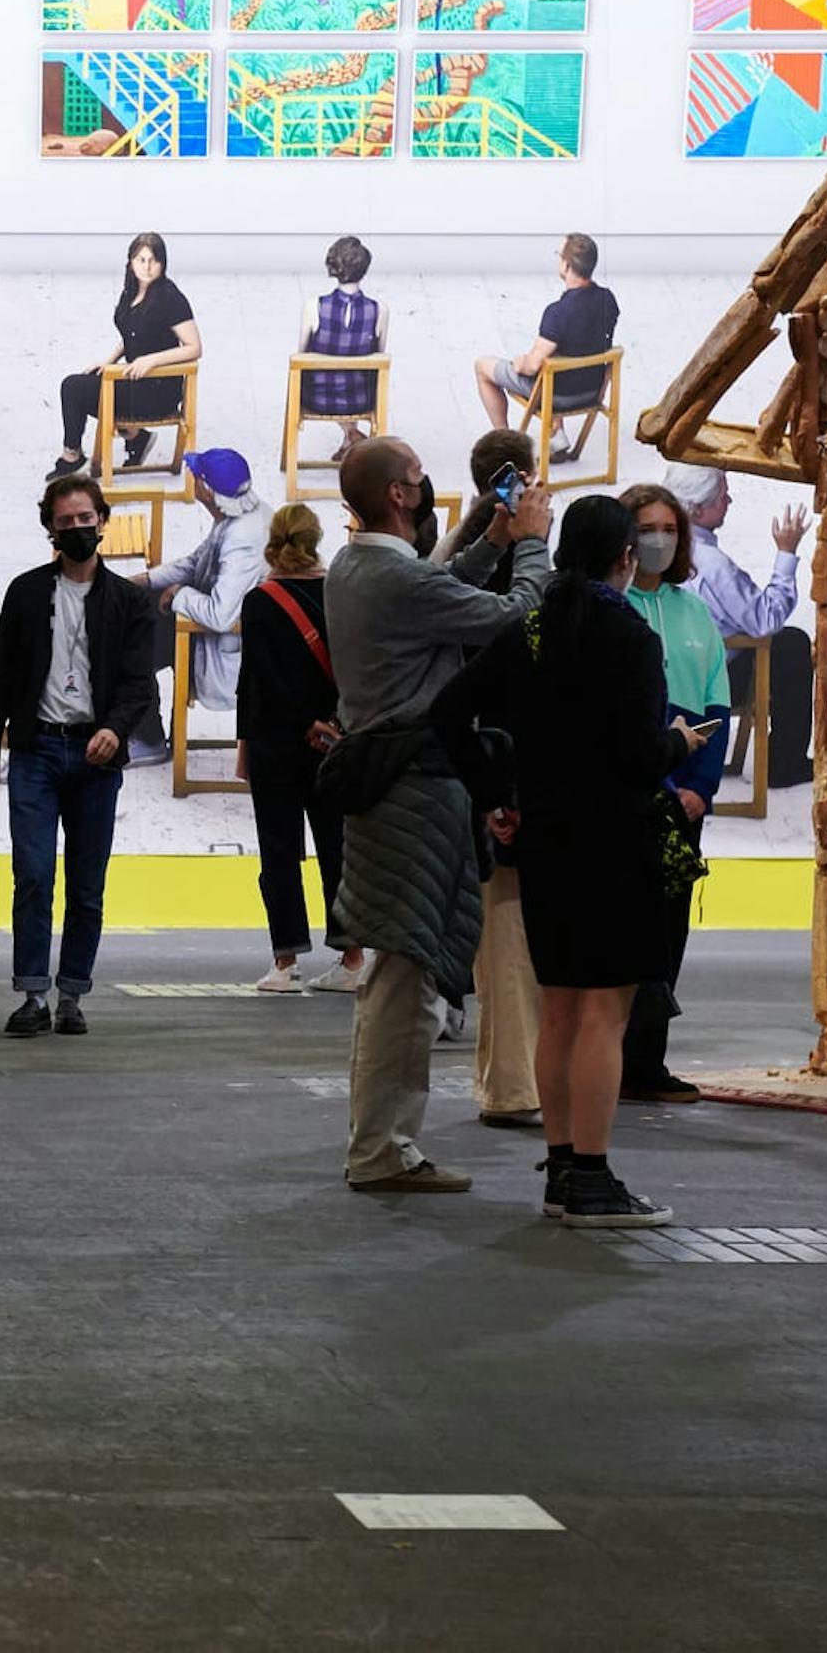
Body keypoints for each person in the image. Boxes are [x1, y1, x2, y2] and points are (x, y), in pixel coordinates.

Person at [436, 495, 704, 1228]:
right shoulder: (630, 636)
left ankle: (561, 1169)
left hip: (545, 841)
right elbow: (637, 754)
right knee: (604, 1015)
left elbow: (448, 713)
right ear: (625, 558)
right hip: (617, 842)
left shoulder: (527, 630)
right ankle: (591, 1176)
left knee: (557, 1009)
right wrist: (679, 743)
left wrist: (495, 793)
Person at [324, 436, 551, 1194]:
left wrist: (495, 540)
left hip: (396, 780)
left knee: (400, 973)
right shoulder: (393, 575)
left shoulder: (357, 565)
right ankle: (381, 1148)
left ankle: (382, 1142)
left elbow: (442, 589)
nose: (427, 485)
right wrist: (533, 544)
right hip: (414, 787)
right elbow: (512, 616)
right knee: (406, 975)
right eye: (419, 476)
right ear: (398, 494)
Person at [0, 473, 162, 1036]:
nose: (77, 528)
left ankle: (72, 993)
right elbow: (2, 672)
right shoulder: (25, 592)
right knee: (33, 875)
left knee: (86, 884)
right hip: (36, 750)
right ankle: (33, 994)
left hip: (97, 758)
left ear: (102, 521)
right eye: (65, 521)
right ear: (50, 529)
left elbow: (140, 684)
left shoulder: (129, 601)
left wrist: (116, 731)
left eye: (85, 518)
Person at [442, 427, 550, 1127]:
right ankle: (514, 1086)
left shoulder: (453, 556)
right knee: (509, 948)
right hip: (504, 776)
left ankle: (518, 1082)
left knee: (508, 949)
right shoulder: (502, 579)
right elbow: (522, 624)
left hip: (494, 775)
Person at [617, 480, 735, 1104]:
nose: (658, 540)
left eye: (668, 529)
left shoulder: (696, 614)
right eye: (646, 530)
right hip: (629, 795)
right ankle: (607, 1060)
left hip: (683, 801)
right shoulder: (613, 608)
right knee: (622, 932)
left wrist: (700, 790)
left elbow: (717, 705)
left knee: (668, 931)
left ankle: (647, 1063)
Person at [240, 502, 361, 996]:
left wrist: (248, 742)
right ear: (316, 538)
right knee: (338, 848)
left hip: (275, 744)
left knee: (279, 852)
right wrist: (331, 722)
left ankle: (285, 962)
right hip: (332, 742)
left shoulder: (260, 601)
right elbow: (355, 667)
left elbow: (257, 681)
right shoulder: (341, 594)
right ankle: (352, 959)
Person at [664, 459, 814, 790]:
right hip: (708, 679)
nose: (729, 501)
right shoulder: (709, 563)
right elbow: (766, 619)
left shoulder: (663, 548)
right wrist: (786, 553)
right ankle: (785, 763)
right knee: (792, 645)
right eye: (722, 496)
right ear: (697, 509)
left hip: (674, 672)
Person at [146, 446, 268, 741]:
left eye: (196, 475)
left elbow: (220, 615)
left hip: (221, 644)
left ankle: (147, 738)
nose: (190, 476)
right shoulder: (238, 514)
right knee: (132, 606)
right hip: (208, 625)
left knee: (132, 643)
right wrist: (145, 581)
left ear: (207, 489)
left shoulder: (242, 538)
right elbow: (195, 563)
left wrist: (178, 594)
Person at [56, 231, 203, 474]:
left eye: (153, 260)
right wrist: (109, 361)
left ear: (163, 264)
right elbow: (132, 335)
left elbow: (195, 347)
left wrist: (151, 360)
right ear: (131, 262)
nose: (147, 266)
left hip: (157, 388)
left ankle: (72, 456)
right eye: (141, 260)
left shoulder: (170, 297)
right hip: (134, 378)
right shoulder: (131, 290)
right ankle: (135, 438)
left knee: (73, 388)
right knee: (84, 381)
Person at [477, 231, 622, 435]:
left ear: (566, 265)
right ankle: (557, 434)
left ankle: (504, 440)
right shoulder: (608, 300)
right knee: (559, 355)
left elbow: (532, 366)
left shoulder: (558, 312)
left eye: (559, 255)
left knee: (482, 367)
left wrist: (520, 363)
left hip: (557, 397)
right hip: (593, 392)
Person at [298, 234, 386, 467]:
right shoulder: (379, 310)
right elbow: (377, 358)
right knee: (359, 373)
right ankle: (351, 435)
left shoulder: (314, 306)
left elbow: (302, 356)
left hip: (319, 398)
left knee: (304, 372)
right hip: (360, 399)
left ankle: (350, 436)